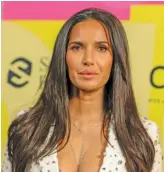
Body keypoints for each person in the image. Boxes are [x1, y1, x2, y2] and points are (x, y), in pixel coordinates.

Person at [2, 8, 162, 172]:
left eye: (101, 48)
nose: (88, 59)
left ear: (116, 59)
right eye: (77, 47)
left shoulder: (143, 135)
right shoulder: (27, 128)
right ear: (63, 56)